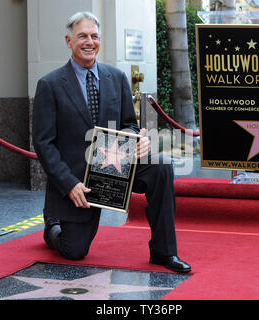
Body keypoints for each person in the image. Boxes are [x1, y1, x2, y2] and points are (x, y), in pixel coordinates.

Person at [32, 11, 191, 273]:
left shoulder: (116, 78)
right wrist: (69, 185)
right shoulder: (49, 84)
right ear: (68, 41)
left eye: (94, 36)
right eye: (82, 36)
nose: (89, 41)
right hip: (77, 179)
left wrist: (139, 139)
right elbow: (43, 143)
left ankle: (164, 252)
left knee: (161, 167)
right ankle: (52, 225)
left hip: (115, 166)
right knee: (75, 252)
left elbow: (129, 123)